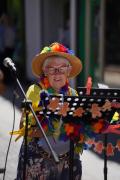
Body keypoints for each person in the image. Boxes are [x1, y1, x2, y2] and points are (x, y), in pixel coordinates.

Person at [14, 42, 83, 180]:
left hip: (68, 162)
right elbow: (23, 128)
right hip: (38, 161)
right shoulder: (35, 91)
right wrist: (51, 127)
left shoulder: (73, 94)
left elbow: (80, 129)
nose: (57, 73)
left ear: (68, 71)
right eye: (52, 69)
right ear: (45, 72)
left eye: (62, 68)